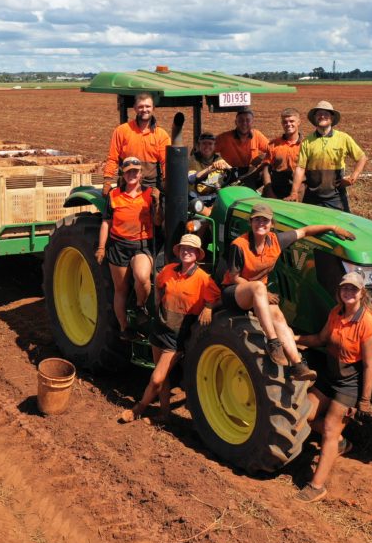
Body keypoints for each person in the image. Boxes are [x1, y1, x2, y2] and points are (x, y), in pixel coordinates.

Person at [222, 202, 355, 381]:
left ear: (271, 224)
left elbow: (306, 231)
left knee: (278, 317)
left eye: (265, 221)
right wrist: (259, 291)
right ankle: (272, 341)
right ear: (251, 222)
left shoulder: (277, 241)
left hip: (259, 294)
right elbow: (234, 276)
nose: (261, 224)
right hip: (235, 292)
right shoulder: (239, 245)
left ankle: (297, 364)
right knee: (259, 287)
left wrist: (333, 227)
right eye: (257, 220)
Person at [293, 271, 372, 503]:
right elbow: (321, 339)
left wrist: (364, 401)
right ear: (339, 292)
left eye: (353, 289)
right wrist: (296, 339)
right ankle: (340, 443)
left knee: (330, 429)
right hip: (329, 376)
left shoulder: (368, 325)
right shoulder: (335, 312)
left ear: (362, 293)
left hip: (350, 384)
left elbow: (370, 367)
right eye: (345, 288)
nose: (348, 292)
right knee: (304, 414)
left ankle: (316, 486)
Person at [118, 234, 220, 424]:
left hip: (177, 337)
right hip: (160, 329)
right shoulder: (169, 270)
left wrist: (207, 308)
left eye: (191, 249)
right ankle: (165, 415)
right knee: (162, 378)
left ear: (197, 254)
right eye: (183, 248)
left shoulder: (203, 279)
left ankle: (138, 409)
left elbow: (216, 298)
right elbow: (158, 286)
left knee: (156, 378)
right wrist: (157, 303)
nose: (186, 252)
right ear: (179, 251)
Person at [96, 156, 160, 340]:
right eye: (128, 171)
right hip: (119, 246)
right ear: (123, 175)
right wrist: (101, 247)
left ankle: (141, 306)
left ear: (141, 174)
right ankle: (125, 328)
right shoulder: (114, 195)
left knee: (142, 277)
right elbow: (106, 223)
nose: (132, 174)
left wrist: (157, 205)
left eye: (135, 171)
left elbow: (157, 222)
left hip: (141, 245)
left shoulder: (149, 194)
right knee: (121, 289)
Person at [288, 101, 367, 212]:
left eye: (326, 113)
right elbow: (300, 168)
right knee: (313, 227)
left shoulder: (343, 138)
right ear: (315, 118)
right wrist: (294, 192)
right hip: (312, 195)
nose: (322, 116)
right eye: (319, 113)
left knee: (341, 226)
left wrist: (353, 177)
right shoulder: (307, 142)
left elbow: (361, 158)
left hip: (336, 196)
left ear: (332, 118)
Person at [103, 92, 170, 193]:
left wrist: (166, 181)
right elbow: (113, 158)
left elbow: (166, 162)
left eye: (148, 106)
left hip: (150, 186)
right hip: (126, 184)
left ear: (153, 108)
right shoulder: (122, 130)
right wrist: (107, 181)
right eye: (140, 107)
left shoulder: (161, 135)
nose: (144, 110)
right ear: (135, 108)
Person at [213, 107, 269, 188]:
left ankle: (268, 194)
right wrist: (218, 160)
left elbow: (272, 150)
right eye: (241, 120)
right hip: (230, 174)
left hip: (250, 173)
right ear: (236, 122)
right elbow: (206, 151)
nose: (244, 123)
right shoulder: (225, 137)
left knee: (270, 170)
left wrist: (261, 157)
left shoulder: (257, 135)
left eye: (248, 120)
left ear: (252, 122)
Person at [261, 108, 303, 199]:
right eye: (285, 122)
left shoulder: (306, 145)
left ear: (299, 122)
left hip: (299, 192)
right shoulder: (273, 144)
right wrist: (269, 191)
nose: (288, 124)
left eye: (292, 121)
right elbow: (266, 169)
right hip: (276, 191)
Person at [188, 132, 231, 196]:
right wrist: (211, 167)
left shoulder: (218, 159)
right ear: (199, 145)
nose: (207, 146)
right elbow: (192, 178)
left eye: (210, 144)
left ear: (214, 146)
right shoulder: (192, 160)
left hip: (215, 196)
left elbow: (232, 175)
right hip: (197, 198)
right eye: (204, 143)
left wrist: (226, 165)